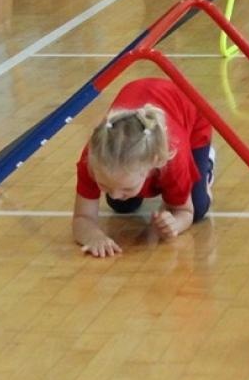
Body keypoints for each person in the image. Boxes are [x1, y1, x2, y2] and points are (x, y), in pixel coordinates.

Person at [71, 77, 215, 258]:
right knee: (122, 205)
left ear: (154, 164)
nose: (114, 193)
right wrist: (93, 236)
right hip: (142, 105)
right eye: (105, 186)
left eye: (126, 187)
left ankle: (206, 165)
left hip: (192, 121)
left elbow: (185, 211)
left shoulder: (172, 158)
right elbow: (82, 218)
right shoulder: (93, 157)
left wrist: (175, 224)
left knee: (199, 207)